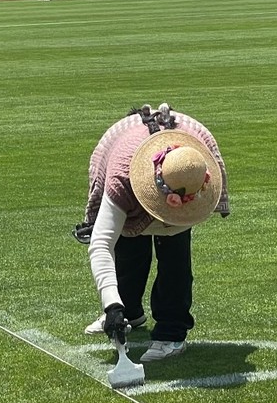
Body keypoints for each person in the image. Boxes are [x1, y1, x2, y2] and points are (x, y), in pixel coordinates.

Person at [75, 103, 229, 362]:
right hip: (125, 152)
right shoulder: (120, 177)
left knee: (174, 254)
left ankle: (172, 333)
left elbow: (175, 219)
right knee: (127, 240)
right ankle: (128, 309)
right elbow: (102, 244)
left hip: (184, 160)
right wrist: (112, 305)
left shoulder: (194, 170)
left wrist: (173, 216)